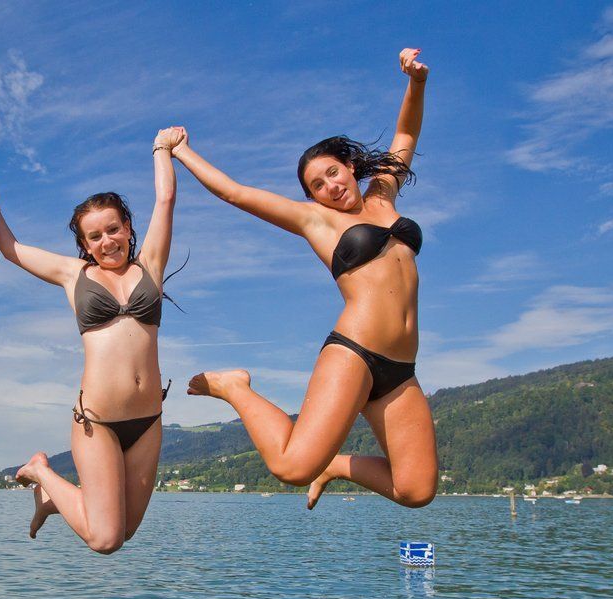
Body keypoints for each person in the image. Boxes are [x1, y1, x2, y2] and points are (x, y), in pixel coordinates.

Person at [176, 49, 437, 509]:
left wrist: (415, 82)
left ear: (350, 167)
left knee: (416, 490)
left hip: (401, 366)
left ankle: (335, 466)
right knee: (291, 467)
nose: (331, 187)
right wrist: (181, 151)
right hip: (355, 351)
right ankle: (235, 387)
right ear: (312, 197)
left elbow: (406, 133)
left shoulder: (383, 192)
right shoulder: (316, 221)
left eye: (333, 173)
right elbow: (234, 193)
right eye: (318, 185)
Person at [0, 128, 181, 554]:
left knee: (125, 531)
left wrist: (161, 148)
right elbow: (10, 248)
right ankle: (41, 473)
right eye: (95, 237)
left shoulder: (150, 264)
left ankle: (51, 501)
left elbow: (166, 199)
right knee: (105, 538)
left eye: (113, 229)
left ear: (127, 228)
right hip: (97, 420)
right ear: (84, 244)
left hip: (148, 421)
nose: (107, 241)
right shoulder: (72, 275)